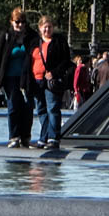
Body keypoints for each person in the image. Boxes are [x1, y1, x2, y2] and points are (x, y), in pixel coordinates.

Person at [0, 8, 37, 147]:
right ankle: (14, 136)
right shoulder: (6, 36)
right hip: (10, 77)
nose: (20, 25)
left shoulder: (32, 36)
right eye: (17, 22)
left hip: (27, 77)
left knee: (28, 107)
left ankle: (26, 136)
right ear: (11, 22)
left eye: (23, 22)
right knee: (13, 106)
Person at [29, 15, 72, 148]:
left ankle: (53, 138)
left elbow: (66, 61)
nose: (47, 29)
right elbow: (29, 60)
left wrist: (54, 73)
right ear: (40, 28)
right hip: (37, 81)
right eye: (45, 27)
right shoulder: (35, 42)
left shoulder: (59, 42)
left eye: (50, 27)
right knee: (41, 110)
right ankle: (44, 136)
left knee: (52, 108)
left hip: (51, 81)